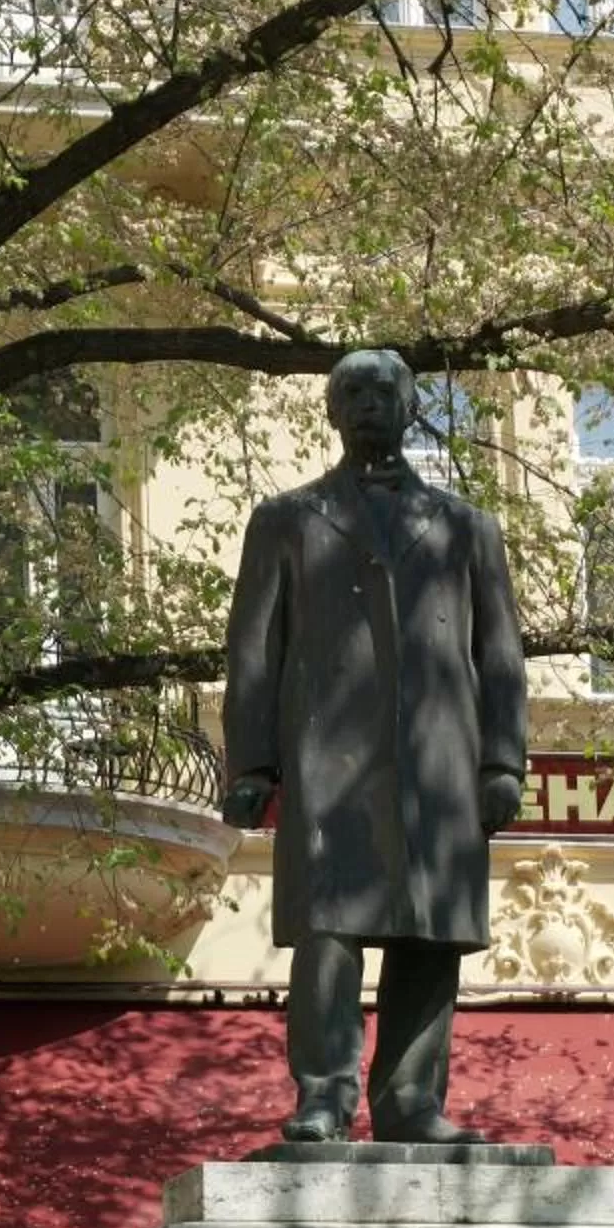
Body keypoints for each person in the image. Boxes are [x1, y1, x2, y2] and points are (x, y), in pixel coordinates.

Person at [222, 345, 528, 1145]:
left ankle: (412, 1102)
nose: (366, 402)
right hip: (331, 762)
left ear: (410, 406)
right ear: (330, 411)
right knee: (329, 930)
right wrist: (252, 763)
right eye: (350, 391)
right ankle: (322, 1094)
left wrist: (503, 761)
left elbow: (500, 655)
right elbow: (254, 650)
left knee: (432, 937)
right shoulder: (284, 520)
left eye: (382, 389)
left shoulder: (468, 529)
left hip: (441, 765)